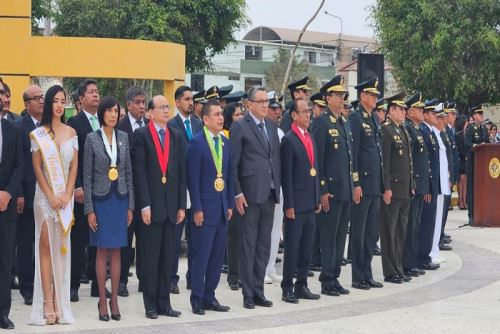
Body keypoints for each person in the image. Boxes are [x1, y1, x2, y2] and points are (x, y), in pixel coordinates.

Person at [132, 95, 186, 319]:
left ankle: (165, 303)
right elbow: (140, 174)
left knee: (168, 258)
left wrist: (182, 204)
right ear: (150, 113)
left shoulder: (176, 135)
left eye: (168, 107)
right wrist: (144, 204)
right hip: (151, 207)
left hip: (171, 206)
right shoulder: (142, 135)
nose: (166, 110)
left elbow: (181, 172)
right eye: (162, 107)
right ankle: (151, 304)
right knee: (151, 258)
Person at [83, 96, 134, 321]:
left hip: (120, 198)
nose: (114, 115)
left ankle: (114, 299)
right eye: (110, 111)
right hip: (100, 201)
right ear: (102, 113)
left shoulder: (123, 137)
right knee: (102, 250)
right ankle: (102, 300)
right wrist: (89, 210)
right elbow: (86, 177)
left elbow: (128, 173)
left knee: (118, 250)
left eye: (117, 111)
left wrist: (131, 206)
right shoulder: (91, 139)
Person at [30, 85, 77, 325]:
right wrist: (50, 194)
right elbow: (37, 167)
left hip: (65, 199)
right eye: (55, 100)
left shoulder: (71, 132)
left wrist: (68, 193)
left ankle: (60, 300)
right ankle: (47, 301)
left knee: (62, 248)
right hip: (45, 197)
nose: (59, 105)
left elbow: (73, 169)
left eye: (62, 100)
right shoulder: (39, 133)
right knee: (46, 246)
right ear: (48, 104)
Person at [230, 86, 280, 309]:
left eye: (266, 102)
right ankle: (247, 293)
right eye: (260, 102)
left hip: (269, 193)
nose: (264, 105)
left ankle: (259, 291)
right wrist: (237, 193)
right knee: (248, 246)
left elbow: (274, 160)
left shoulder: (271, 125)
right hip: (249, 195)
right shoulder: (240, 126)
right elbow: (234, 164)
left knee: (263, 245)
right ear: (249, 104)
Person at [186, 99, 234, 315]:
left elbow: (229, 176)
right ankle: (197, 297)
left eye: (221, 114)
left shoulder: (225, 142)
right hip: (204, 210)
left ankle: (209, 295)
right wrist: (196, 208)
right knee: (201, 256)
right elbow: (193, 180)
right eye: (216, 114)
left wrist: (230, 203)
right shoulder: (197, 143)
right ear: (205, 119)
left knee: (216, 257)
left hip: (222, 208)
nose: (220, 117)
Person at [310, 75, 353, 296]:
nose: (342, 98)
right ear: (327, 98)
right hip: (331, 192)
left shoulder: (343, 122)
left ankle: (334, 276)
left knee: (339, 237)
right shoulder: (322, 122)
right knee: (328, 236)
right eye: (338, 95)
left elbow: (349, 158)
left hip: (345, 190)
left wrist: (354, 184)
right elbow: (317, 160)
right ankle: (326, 280)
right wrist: (323, 190)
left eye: (343, 95)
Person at [280, 98, 321, 304]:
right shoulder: (288, 139)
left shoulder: (310, 137)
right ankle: (287, 287)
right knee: (293, 248)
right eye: (304, 111)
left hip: (310, 203)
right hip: (296, 204)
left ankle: (302, 284)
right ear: (294, 115)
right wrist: (289, 205)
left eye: (309, 111)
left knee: (307, 248)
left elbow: (315, 170)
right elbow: (286, 177)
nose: (308, 114)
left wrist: (317, 196)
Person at [67, 79, 103, 302]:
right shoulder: (74, 122)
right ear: (81, 99)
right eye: (91, 92)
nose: (95, 95)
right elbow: (73, 159)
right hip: (83, 191)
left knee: (100, 240)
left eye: (97, 91)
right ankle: (72, 285)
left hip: (103, 191)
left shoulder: (105, 121)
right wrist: (77, 186)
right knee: (79, 239)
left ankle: (97, 284)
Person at [349, 77, 384, 290]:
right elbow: (354, 153)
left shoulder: (373, 119)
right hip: (363, 184)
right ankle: (357, 275)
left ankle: (368, 273)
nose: (375, 98)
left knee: (371, 233)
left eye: (376, 95)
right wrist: (356, 183)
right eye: (372, 95)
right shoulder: (356, 118)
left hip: (375, 185)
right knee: (359, 232)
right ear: (363, 96)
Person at [168, 86, 202, 294]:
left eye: (192, 99)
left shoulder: (199, 124)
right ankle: (172, 278)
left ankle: (193, 276)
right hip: (179, 188)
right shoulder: (171, 125)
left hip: (196, 187)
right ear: (178, 102)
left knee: (195, 238)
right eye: (187, 99)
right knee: (174, 239)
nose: (191, 102)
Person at [116, 86, 148, 297]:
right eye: (137, 102)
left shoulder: (151, 126)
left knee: (146, 239)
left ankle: (145, 279)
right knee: (125, 240)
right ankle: (121, 281)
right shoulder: (119, 127)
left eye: (144, 102)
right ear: (128, 104)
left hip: (146, 192)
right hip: (126, 192)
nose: (142, 106)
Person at [379, 93, 414, 284]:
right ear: (391, 110)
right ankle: (390, 270)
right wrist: (386, 188)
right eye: (400, 109)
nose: (404, 112)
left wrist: (412, 185)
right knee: (389, 232)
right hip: (392, 189)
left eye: (404, 109)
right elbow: (384, 162)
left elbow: (408, 161)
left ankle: (399, 267)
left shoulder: (402, 130)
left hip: (405, 189)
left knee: (401, 231)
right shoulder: (386, 130)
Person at [15, 85, 44, 306]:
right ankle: (27, 287)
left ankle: (45, 283)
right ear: (27, 104)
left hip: (49, 193)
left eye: (43, 97)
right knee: (26, 242)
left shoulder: (49, 125)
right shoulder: (19, 127)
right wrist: (21, 194)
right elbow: (21, 163)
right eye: (37, 98)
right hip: (28, 192)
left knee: (44, 240)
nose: (42, 101)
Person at [0, 83, 23, 330]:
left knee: (5, 261)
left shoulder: (13, 129)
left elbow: (20, 165)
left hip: (5, 206)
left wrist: (7, 192)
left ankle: (2, 312)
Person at [403, 92, 429, 277]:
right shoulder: (409, 129)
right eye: (419, 109)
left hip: (420, 184)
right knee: (410, 225)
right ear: (410, 112)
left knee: (416, 225)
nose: (422, 111)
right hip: (414, 184)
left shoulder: (417, 129)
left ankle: (411, 262)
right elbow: (410, 160)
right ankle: (407, 263)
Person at [417, 99, 441, 271]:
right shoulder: (423, 131)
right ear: (425, 115)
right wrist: (426, 187)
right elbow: (424, 163)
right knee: (424, 224)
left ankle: (425, 255)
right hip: (426, 185)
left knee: (430, 222)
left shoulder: (430, 132)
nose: (435, 116)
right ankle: (421, 257)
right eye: (432, 113)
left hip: (432, 184)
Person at [264, 91, 285, 284]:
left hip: (279, 187)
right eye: (273, 109)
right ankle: (261, 268)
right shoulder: (263, 130)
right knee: (264, 230)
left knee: (275, 229)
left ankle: (270, 267)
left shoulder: (279, 132)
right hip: (265, 188)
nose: (277, 112)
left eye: (278, 109)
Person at [464, 105, 489, 224]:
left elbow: (488, 144)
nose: (481, 116)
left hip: (483, 165)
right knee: (472, 188)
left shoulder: (484, 129)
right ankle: (472, 215)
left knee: (483, 188)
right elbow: (467, 143)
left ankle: (482, 213)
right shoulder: (470, 128)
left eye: (482, 114)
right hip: (473, 162)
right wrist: (478, 146)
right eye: (479, 114)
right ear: (474, 116)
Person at [455, 116, 468, 210]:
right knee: (461, 180)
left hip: (466, 160)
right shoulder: (458, 135)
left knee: (465, 181)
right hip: (461, 160)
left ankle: (464, 201)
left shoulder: (465, 135)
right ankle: (460, 201)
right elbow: (459, 149)